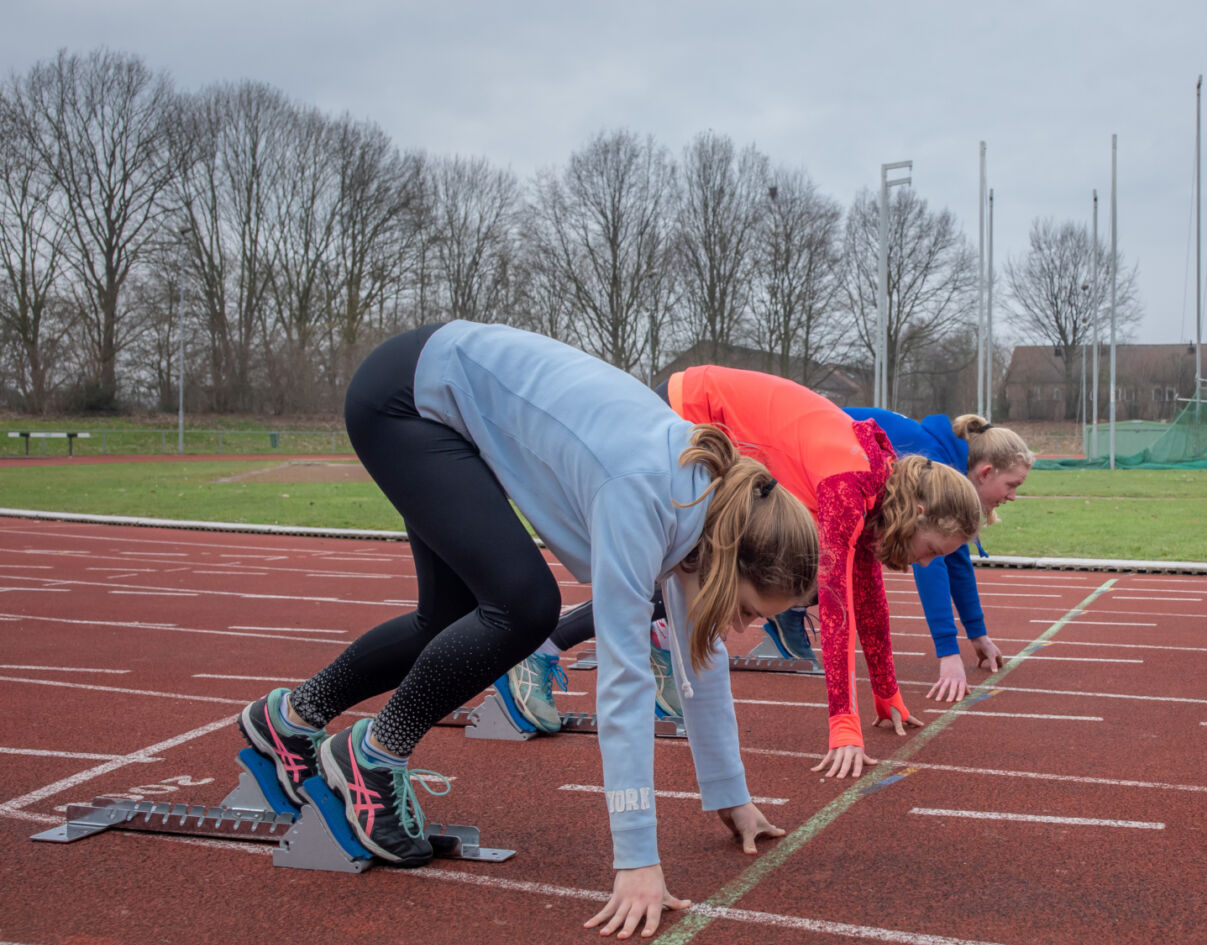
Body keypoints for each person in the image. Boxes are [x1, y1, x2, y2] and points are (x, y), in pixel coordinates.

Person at [235, 321, 818, 939]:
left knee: (449, 621)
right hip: (406, 400)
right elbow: (623, 682)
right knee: (523, 606)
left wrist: (731, 794)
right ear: (732, 560)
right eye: (752, 610)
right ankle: (372, 755)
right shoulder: (643, 496)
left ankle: (292, 717)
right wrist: (637, 859)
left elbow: (701, 659)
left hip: (438, 398)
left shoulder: (706, 511)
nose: (746, 627)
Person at [528, 366, 983, 779]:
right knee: (698, 561)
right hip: (690, 411)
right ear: (919, 512)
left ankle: (653, 638)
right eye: (932, 550)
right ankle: (545, 647)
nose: (925, 563)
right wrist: (844, 723)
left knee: (726, 568)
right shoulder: (851, 485)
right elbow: (839, 606)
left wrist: (886, 694)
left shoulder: (878, 488)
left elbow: (868, 596)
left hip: (715, 415)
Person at [844, 409, 1034, 701]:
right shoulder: (938, 465)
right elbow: (930, 560)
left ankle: (790, 617)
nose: (1012, 497)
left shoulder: (951, 471)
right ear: (985, 473)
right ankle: (789, 620)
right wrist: (948, 652)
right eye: (1012, 485)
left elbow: (955, 558)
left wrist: (977, 633)